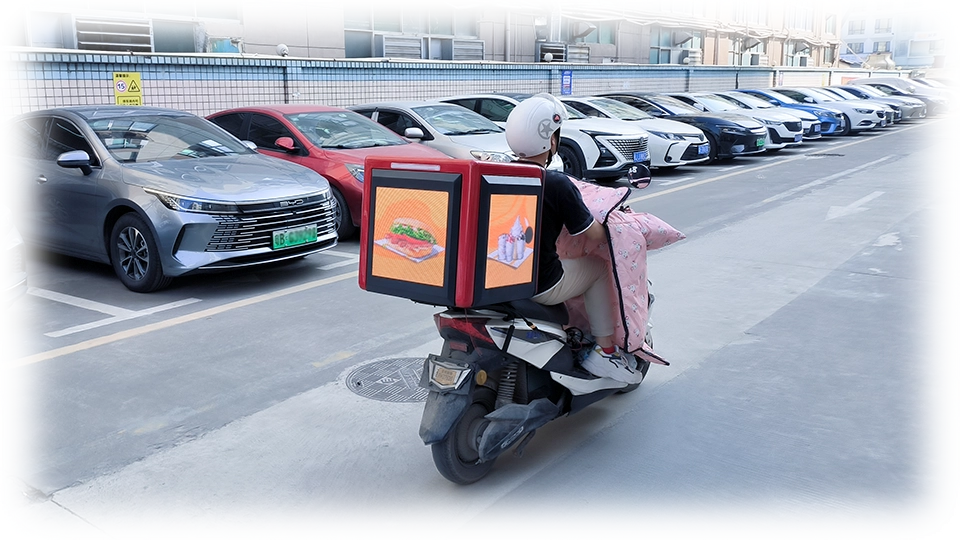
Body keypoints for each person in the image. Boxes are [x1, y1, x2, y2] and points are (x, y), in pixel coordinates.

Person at [504, 93, 643, 385]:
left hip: (500, 277)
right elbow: (590, 232)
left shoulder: (498, 175)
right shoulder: (554, 183)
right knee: (597, 268)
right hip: (540, 284)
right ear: (551, 141)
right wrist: (616, 225)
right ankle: (606, 353)